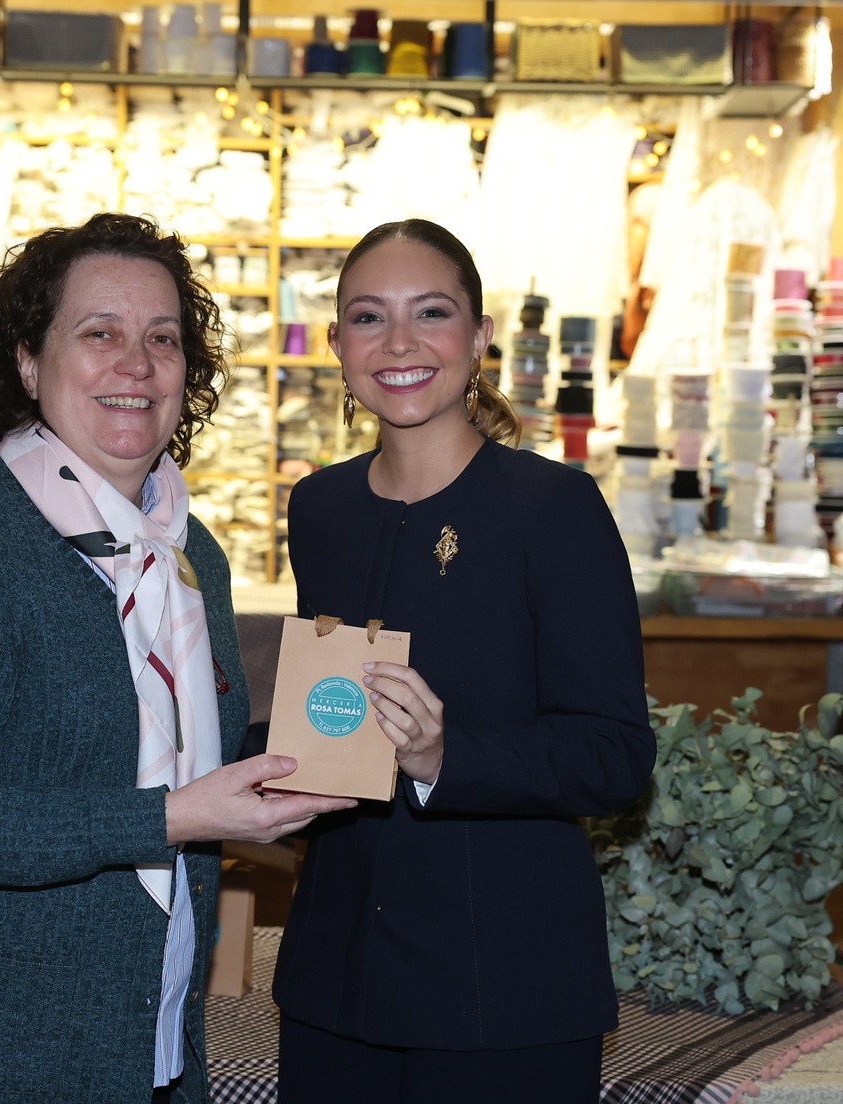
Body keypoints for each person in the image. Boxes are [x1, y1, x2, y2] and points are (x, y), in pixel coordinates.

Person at [0, 212, 354, 1103]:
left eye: (162, 338)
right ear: (29, 361)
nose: (136, 364)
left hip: (140, 1044)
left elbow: (158, 747)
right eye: (99, 333)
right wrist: (169, 818)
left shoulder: (189, 555)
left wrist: (330, 742)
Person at [271, 218, 657, 1103]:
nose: (398, 342)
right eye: (368, 317)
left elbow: (614, 754)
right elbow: (333, 716)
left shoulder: (553, 507)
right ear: (336, 344)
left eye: (431, 313)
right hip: (336, 976)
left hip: (502, 988)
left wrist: (446, 757)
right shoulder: (320, 507)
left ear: (479, 336)